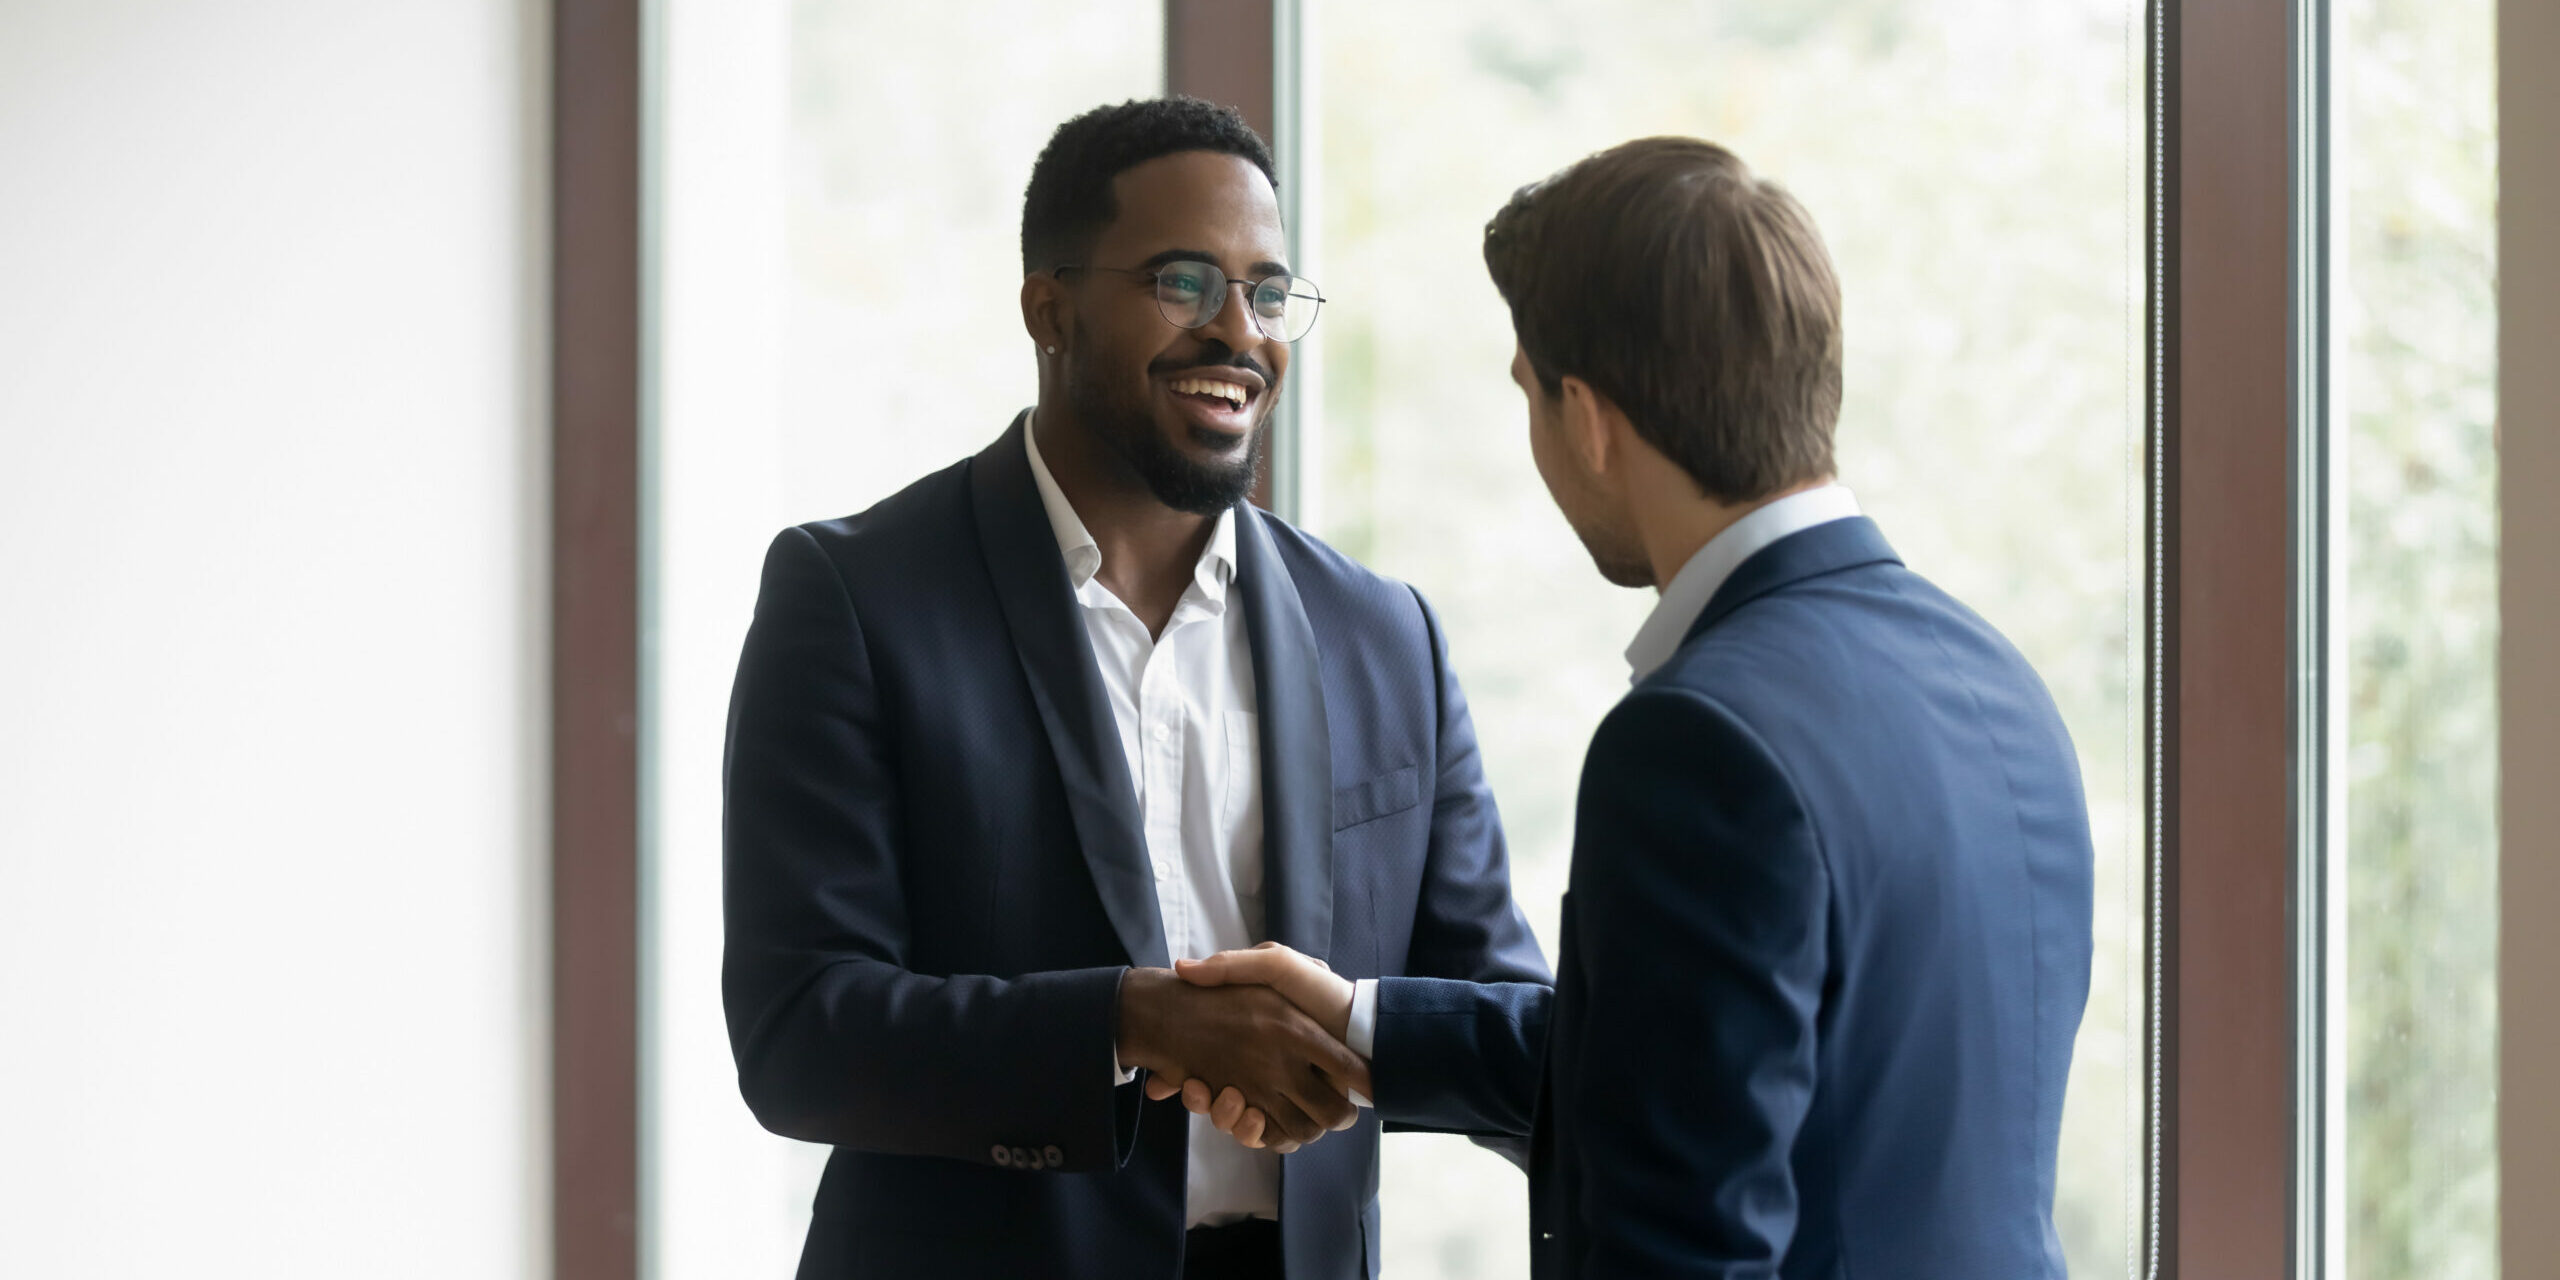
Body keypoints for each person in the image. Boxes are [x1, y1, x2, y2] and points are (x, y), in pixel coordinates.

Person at [1172, 137, 2096, 1278]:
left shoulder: (1699, 740)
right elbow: (1720, 1066)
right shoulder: (1995, 677)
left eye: (1529, 398)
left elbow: (1683, 1243)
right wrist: (1365, 1024)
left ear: (1590, 419)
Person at [719, 96, 1548, 1280]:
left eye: (1267, 294)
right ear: (1048, 309)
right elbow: (800, 1031)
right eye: (1182, 280)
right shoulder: (854, 596)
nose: (1238, 333)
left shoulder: (1384, 635)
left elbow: (1504, 1026)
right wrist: (1127, 1019)